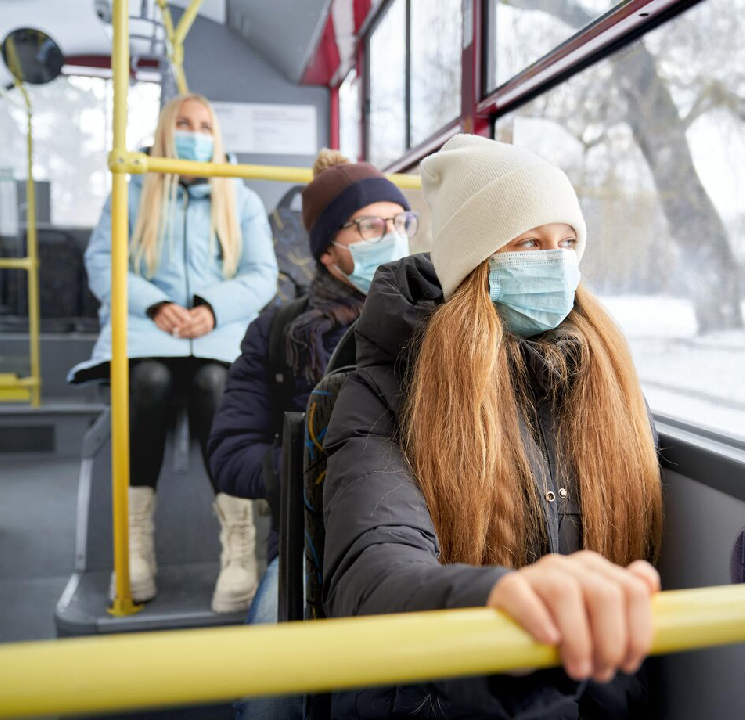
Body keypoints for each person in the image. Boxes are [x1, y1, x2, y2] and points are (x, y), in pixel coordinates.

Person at [321, 134, 664, 719]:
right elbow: (374, 566)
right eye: (529, 242)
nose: (556, 261)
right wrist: (495, 603)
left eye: (568, 242)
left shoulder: (604, 384)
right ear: (475, 264)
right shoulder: (381, 392)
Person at [207, 150, 416, 720]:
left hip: (423, 536)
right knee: (270, 693)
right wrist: (314, 470)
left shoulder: (438, 319)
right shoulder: (280, 333)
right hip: (309, 542)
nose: (391, 237)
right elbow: (229, 454)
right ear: (329, 250)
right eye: (371, 226)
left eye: (400, 223)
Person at [68, 93, 278, 613]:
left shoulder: (242, 200)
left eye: (205, 125)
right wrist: (156, 304)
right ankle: (135, 544)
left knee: (214, 385)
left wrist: (211, 309)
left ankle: (238, 545)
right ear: (164, 132)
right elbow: (105, 263)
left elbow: (260, 276)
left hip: (217, 332)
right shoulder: (133, 191)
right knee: (150, 383)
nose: (194, 134)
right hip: (149, 331)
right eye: (183, 124)